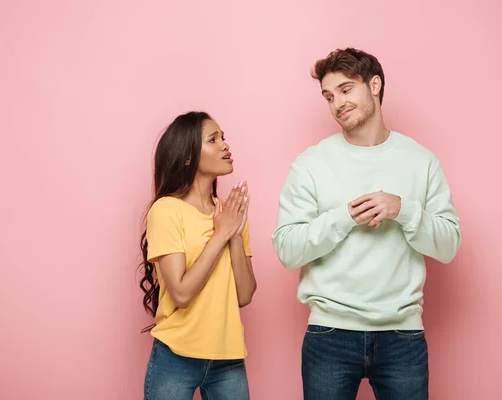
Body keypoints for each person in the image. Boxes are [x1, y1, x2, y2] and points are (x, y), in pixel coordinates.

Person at [272, 48, 461, 400]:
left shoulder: (421, 161)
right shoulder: (311, 164)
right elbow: (287, 249)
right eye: (329, 96)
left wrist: (403, 210)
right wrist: (345, 217)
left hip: (402, 336)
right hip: (329, 333)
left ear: (374, 85)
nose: (336, 104)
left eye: (346, 90)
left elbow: (449, 245)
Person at [138, 111, 257, 400]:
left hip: (227, 359)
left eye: (223, 138)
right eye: (213, 140)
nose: (225, 145)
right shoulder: (166, 211)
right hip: (175, 358)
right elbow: (180, 294)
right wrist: (220, 235)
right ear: (188, 157)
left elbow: (245, 294)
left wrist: (233, 235)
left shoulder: (229, 214)